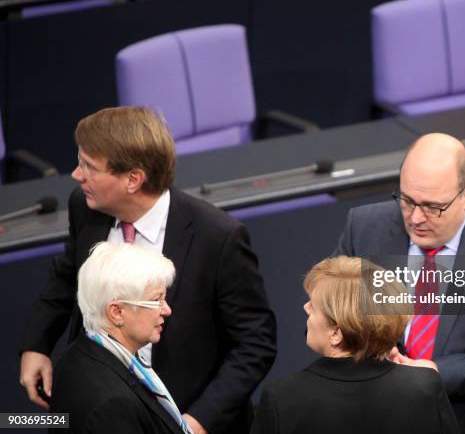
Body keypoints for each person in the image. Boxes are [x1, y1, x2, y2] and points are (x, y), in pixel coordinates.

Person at [20, 106, 277, 434]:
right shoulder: (85, 207)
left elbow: (256, 342)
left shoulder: (218, 237)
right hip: (97, 404)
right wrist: (36, 345)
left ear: (133, 179)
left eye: (89, 166)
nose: (76, 174)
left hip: (179, 416)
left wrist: (198, 422)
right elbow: (66, 278)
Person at [335, 133, 465, 432]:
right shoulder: (364, 228)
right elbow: (328, 317)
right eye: (406, 200)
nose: (416, 218)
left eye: (433, 207)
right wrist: (370, 358)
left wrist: (436, 372)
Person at [250, 256, 459, 434]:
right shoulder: (424, 386)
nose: (306, 308)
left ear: (336, 333)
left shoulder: (282, 398)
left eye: (313, 306)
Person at [51, 242, 189, 433]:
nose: (167, 310)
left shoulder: (75, 356)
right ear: (117, 312)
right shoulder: (112, 405)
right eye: (156, 300)